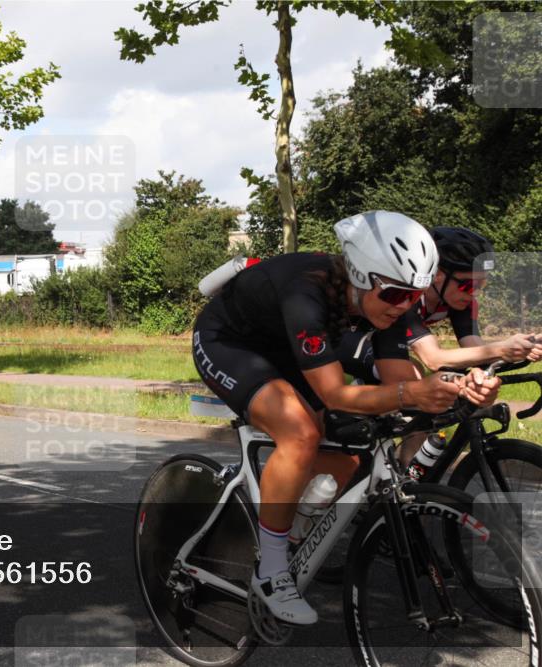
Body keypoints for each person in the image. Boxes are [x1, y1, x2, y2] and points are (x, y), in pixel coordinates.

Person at [191, 211, 501, 625]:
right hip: (230, 342)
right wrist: (415, 392)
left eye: (415, 296)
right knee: (300, 433)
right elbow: (338, 393)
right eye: (395, 296)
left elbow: (396, 385)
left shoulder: (393, 298)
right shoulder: (307, 293)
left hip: (288, 348)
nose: (406, 307)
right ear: (359, 275)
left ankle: (292, 521)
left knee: (350, 446)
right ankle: (271, 571)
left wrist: (463, 390)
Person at [338, 226, 541, 463]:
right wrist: (501, 348)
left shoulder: (460, 300)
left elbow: (474, 347)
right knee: (415, 374)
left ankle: (406, 478)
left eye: (480, 286)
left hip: (385, 344)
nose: (473, 293)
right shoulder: (412, 295)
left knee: (425, 413)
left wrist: (522, 346)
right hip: (350, 339)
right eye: (467, 286)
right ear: (438, 276)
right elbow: (432, 357)